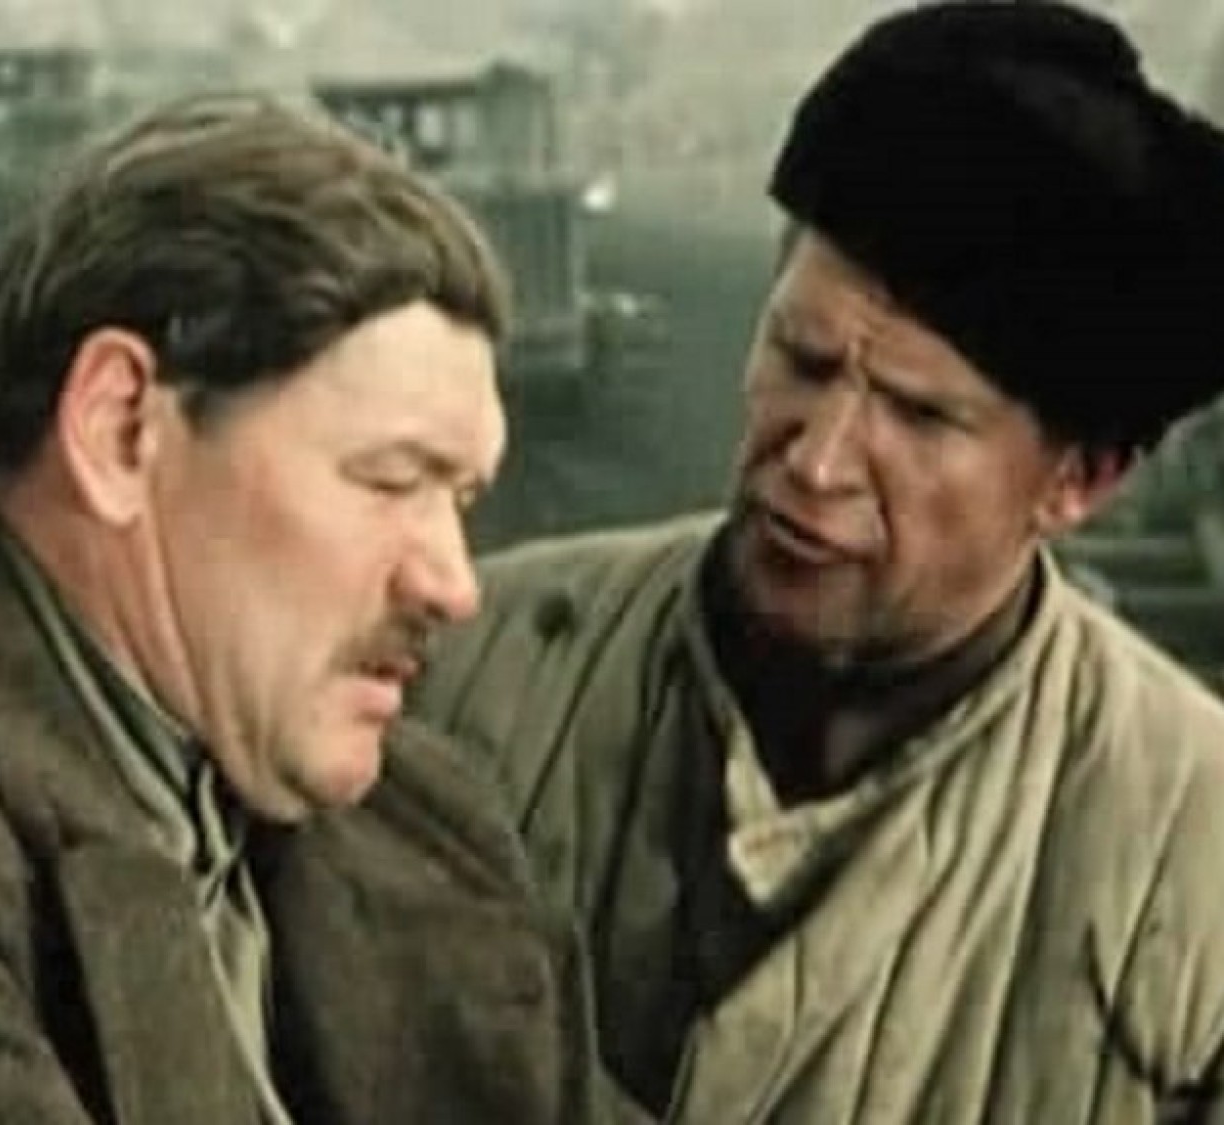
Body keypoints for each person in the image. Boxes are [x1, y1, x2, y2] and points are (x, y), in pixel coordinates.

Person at [0, 95, 642, 1124]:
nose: (454, 583)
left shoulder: (430, 830)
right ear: (120, 429)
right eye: (390, 481)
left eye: (460, 500)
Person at [408, 2, 1224, 1120]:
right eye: (800, 358)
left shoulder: (1195, 867)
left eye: (920, 416)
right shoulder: (453, 680)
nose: (818, 460)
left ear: (1078, 481)